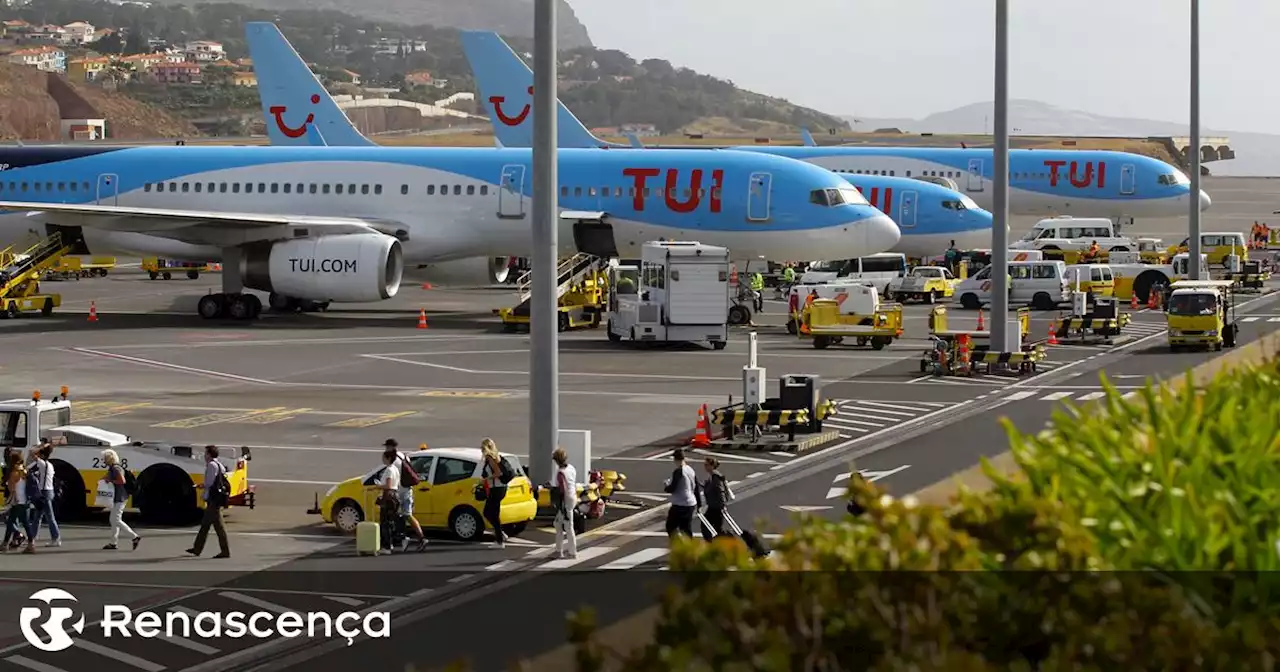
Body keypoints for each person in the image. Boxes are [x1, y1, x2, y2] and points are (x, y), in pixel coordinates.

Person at [187, 445, 230, 558]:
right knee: (214, 526)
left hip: (213, 500)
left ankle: (200, 549)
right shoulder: (219, 464)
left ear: (210, 454)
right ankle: (198, 548)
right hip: (216, 499)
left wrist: (200, 486)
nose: (204, 456)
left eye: (206, 453)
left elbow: (209, 483)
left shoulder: (211, 465)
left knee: (208, 526)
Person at [386, 439, 428, 552]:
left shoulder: (393, 461)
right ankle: (417, 538)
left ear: (389, 447)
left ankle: (405, 538)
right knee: (406, 515)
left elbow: (391, 476)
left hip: (399, 491)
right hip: (408, 489)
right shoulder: (403, 456)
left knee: (397, 515)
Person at [100, 449, 141, 551]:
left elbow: (121, 481)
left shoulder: (116, 468)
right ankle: (113, 543)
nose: (103, 460)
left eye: (105, 458)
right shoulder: (113, 468)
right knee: (114, 520)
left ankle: (134, 536)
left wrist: (110, 480)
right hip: (118, 497)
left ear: (110, 459)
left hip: (120, 497)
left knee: (115, 519)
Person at [479, 438, 512, 548]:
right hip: (500, 488)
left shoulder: (490, 458)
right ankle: (500, 533)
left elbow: (498, 472)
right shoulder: (497, 456)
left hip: (496, 489)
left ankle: (500, 540)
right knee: (493, 513)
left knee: (488, 512)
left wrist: (486, 479)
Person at [26, 441, 59, 548]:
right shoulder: (50, 465)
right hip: (49, 491)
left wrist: (42, 446)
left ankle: (56, 538)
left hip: (44, 492)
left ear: (42, 455)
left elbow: (31, 453)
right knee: (37, 516)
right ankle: (32, 537)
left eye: (40, 454)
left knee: (49, 517)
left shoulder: (42, 464)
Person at [663, 448, 699, 537]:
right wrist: (699, 503)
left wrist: (666, 485)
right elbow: (696, 486)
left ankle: (678, 545)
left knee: (670, 526)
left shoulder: (679, 471)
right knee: (686, 528)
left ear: (676, 459)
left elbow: (672, 488)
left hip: (680, 503)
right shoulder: (690, 469)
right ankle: (690, 547)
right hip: (691, 502)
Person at [2, 451, 32, 554]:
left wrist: (8, 482)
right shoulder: (24, 470)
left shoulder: (14, 472)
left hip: (17, 501)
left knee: (10, 522)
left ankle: (5, 544)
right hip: (25, 501)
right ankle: (31, 544)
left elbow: (11, 488)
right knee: (26, 523)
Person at [550, 447, 578, 559]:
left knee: (567, 525)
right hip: (572, 496)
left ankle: (572, 552)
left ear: (556, 460)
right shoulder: (571, 468)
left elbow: (562, 489)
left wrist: (561, 507)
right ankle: (559, 550)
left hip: (565, 500)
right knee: (559, 524)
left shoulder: (560, 473)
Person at [699, 457, 734, 540]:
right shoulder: (712, 477)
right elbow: (710, 488)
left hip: (717, 507)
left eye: (706, 465)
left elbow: (720, 491)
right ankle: (725, 539)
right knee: (716, 528)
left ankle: (728, 537)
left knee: (707, 526)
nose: (705, 467)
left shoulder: (716, 477)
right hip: (713, 506)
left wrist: (723, 505)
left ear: (712, 466)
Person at [375, 447, 402, 553]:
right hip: (395, 495)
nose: (382, 459)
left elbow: (388, 485)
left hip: (389, 496)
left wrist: (378, 486)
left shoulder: (389, 470)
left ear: (388, 458)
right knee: (390, 522)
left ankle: (386, 546)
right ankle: (390, 544)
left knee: (385, 522)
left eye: (383, 457)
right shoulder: (395, 469)